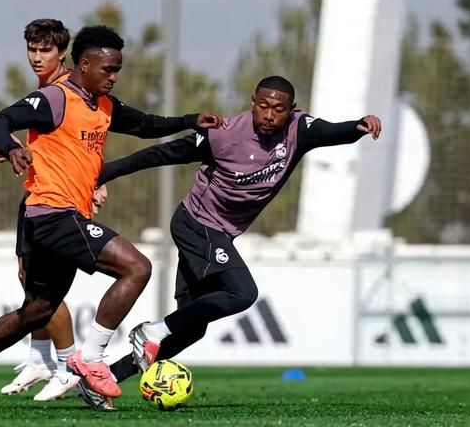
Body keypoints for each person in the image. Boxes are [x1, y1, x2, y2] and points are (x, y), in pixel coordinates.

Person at [0, 25, 223, 411]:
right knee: (137, 268)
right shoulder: (54, 99)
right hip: (53, 214)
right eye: (108, 69)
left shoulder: (103, 104)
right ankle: (90, 360)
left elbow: (145, 125)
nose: (114, 76)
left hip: (60, 219)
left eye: (117, 69)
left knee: (37, 309)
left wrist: (190, 119)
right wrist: (9, 148)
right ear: (84, 65)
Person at [95, 75, 382, 390]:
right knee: (243, 293)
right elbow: (159, 155)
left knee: (192, 328)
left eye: (278, 109)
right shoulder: (224, 135)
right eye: (263, 106)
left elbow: (333, 131)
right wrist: (102, 174)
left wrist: (360, 125)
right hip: (196, 225)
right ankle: (153, 330)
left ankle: (106, 377)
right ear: (253, 102)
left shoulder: (299, 131)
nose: (269, 115)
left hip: (217, 234)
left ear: (292, 111)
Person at [1, 18, 104, 402]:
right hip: (36, 195)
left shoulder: (65, 90)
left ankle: (67, 366)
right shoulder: (46, 91)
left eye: (45, 50)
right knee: (28, 277)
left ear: (63, 53)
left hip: (57, 203)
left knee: (46, 290)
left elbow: (91, 134)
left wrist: (96, 180)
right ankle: (41, 357)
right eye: (32, 49)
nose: (36, 57)